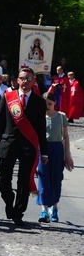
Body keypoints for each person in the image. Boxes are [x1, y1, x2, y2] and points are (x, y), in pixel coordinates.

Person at [0, 67, 48, 226]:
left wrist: (45, 152)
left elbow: (41, 128)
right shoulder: (7, 97)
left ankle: (18, 213)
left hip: (28, 146)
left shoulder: (39, 102)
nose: (25, 82)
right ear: (17, 80)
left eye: (29, 79)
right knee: (3, 179)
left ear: (33, 81)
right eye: (23, 78)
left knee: (24, 181)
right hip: (8, 143)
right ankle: (9, 201)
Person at [37, 92, 75, 223]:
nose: (47, 106)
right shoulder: (39, 116)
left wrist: (67, 155)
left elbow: (66, 137)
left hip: (57, 149)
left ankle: (54, 208)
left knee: (56, 178)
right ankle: (44, 210)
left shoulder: (61, 116)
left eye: (50, 104)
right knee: (43, 178)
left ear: (54, 103)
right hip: (43, 148)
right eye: (45, 104)